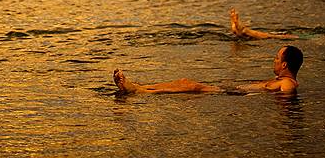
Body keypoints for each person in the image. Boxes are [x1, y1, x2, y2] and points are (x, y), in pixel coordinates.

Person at [113, 45, 303, 95]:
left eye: (277, 58)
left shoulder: (287, 83)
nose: (274, 61)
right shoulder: (283, 81)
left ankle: (139, 91)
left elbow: (285, 94)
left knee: (192, 86)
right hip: (235, 90)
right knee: (185, 82)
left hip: (235, 94)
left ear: (285, 65)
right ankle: (139, 86)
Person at [231, 5, 325, 41]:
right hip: (324, 38)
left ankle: (247, 31)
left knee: (281, 37)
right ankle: (242, 32)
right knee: (283, 36)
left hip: (322, 41)